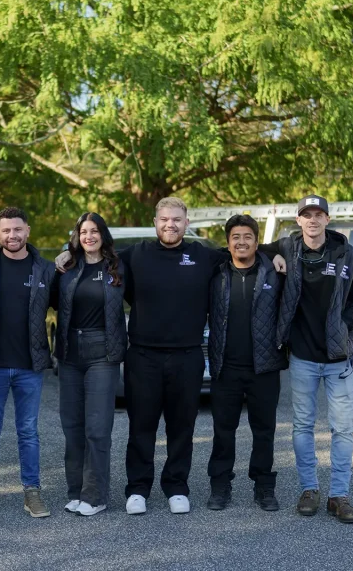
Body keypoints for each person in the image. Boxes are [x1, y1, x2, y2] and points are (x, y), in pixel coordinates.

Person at [57, 198, 285, 516]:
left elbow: (245, 249)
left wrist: (275, 255)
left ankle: (177, 486)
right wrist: (69, 251)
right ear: (155, 221)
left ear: (186, 223)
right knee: (141, 428)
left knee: (182, 428)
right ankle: (138, 489)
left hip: (187, 357)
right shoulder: (135, 255)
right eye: (164, 219)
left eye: (176, 220)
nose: (170, 225)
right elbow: (96, 255)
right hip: (143, 356)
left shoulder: (203, 256)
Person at [262, 194, 353, 524]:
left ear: (327, 219)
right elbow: (257, 250)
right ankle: (309, 489)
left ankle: (338, 495)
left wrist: (345, 324)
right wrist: (274, 260)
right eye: (306, 215)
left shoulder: (347, 255)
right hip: (302, 358)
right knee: (302, 426)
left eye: (319, 214)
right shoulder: (287, 249)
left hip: (338, 358)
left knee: (342, 430)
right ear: (298, 220)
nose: (312, 220)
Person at [0, 207, 56, 520]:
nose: (12, 236)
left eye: (17, 230)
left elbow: (68, 297)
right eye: (6, 230)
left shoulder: (44, 269)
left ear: (28, 231)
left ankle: (32, 492)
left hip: (30, 365)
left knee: (28, 432)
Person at [206, 214, 286, 513]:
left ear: (257, 241)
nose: (241, 242)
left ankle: (264, 487)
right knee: (222, 431)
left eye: (247, 237)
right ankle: (220, 486)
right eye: (235, 237)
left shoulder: (274, 272)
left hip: (264, 367)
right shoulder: (215, 274)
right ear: (227, 243)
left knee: (264, 431)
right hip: (225, 366)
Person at [49, 212, 127, 517]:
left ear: (103, 235)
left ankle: (95, 495)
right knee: (72, 427)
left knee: (97, 428)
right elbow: (50, 299)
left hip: (102, 356)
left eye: (94, 231)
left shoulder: (118, 266)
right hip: (70, 354)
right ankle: (76, 491)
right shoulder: (66, 267)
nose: (89, 236)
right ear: (77, 236)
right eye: (84, 232)